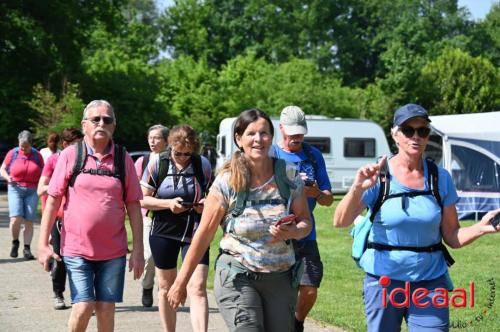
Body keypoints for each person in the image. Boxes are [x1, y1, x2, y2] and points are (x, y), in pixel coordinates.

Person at [333, 103, 500, 332]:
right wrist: (357, 188)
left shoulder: (440, 178)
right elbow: (340, 221)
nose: (416, 137)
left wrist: (482, 227)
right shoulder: (378, 175)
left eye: (422, 131)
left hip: (430, 281)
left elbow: (452, 235)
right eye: (408, 130)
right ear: (395, 134)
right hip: (384, 280)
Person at [167, 109, 312, 332]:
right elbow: (204, 233)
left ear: (272, 138)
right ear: (238, 138)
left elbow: (305, 223)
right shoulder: (227, 182)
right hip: (238, 274)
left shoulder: (289, 175)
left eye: (264, 133)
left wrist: (292, 232)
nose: (258, 139)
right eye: (251, 133)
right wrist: (181, 282)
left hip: (280, 276)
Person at [37, 100, 145, 332]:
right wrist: (42, 243)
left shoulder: (122, 158)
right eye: (95, 119)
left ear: (114, 126)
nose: (101, 123)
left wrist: (138, 250)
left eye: (107, 119)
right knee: (84, 306)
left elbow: (134, 206)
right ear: (84, 124)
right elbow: (53, 199)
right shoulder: (70, 155)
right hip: (77, 249)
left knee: (106, 310)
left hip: (113, 252)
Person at [140, 124, 212, 332]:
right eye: (178, 153)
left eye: (187, 154)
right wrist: (168, 204)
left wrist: (204, 204)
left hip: (196, 230)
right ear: (170, 146)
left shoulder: (202, 164)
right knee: (166, 288)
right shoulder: (157, 163)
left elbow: (213, 197)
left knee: (197, 287)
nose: (182, 157)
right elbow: (142, 200)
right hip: (164, 231)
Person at [271, 105, 334, 332]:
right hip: (275, 233)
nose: (296, 137)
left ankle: (297, 322)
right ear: (281, 129)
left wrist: (315, 192)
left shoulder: (313, 156)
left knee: (310, 287)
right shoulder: (271, 154)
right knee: (279, 291)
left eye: (300, 132)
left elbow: (328, 199)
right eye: (291, 132)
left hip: (306, 233)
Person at [37, 128, 84, 310]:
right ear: (65, 145)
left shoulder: (86, 160)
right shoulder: (54, 160)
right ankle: (58, 293)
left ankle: (80, 298)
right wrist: (59, 183)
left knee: (81, 260)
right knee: (60, 259)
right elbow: (41, 188)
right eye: (76, 145)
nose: (81, 148)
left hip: (80, 219)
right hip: (60, 218)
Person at [135, 124, 169, 308]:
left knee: (164, 257)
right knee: (149, 257)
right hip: (147, 215)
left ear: (166, 140)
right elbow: (133, 187)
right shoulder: (143, 161)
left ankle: (162, 289)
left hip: (169, 216)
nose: (153, 142)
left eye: (157, 138)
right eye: (150, 138)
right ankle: (147, 286)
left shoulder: (173, 159)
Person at [0, 130, 44, 260]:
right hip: (15, 188)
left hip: (32, 190)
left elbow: (44, 172)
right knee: (15, 219)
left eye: (26, 147)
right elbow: (2, 168)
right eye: (21, 146)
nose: (23, 149)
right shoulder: (12, 153)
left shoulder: (37, 156)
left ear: (31, 144)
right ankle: (15, 242)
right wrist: (8, 178)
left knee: (29, 220)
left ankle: (27, 248)